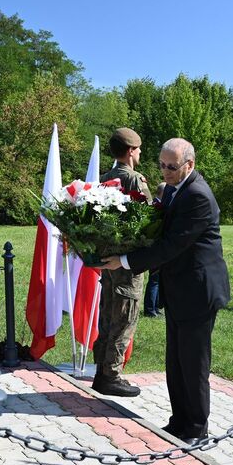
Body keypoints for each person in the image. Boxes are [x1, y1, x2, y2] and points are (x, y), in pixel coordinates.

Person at [100, 138, 230, 444]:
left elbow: (172, 245)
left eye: (172, 167)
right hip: (179, 288)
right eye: (161, 165)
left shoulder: (197, 195)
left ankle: (197, 428)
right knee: (176, 360)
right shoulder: (174, 189)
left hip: (198, 291)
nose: (165, 171)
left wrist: (125, 260)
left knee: (194, 363)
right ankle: (179, 421)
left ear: (190, 165)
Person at [91, 127, 152, 398]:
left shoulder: (104, 179)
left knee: (107, 315)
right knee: (125, 318)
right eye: (138, 149)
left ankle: (100, 372)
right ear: (130, 151)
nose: (139, 153)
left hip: (107, 262)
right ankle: (111, 375)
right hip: (127, 263)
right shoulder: (134, 180)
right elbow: (149, 219)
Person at [143, 182, 167, 317]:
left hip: (157, 248)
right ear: (162, 193)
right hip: (156, 248)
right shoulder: (156, 207)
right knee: (155, 279)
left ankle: (156, 307)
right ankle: (150, 310)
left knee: (158, 278)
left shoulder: (155, 205)